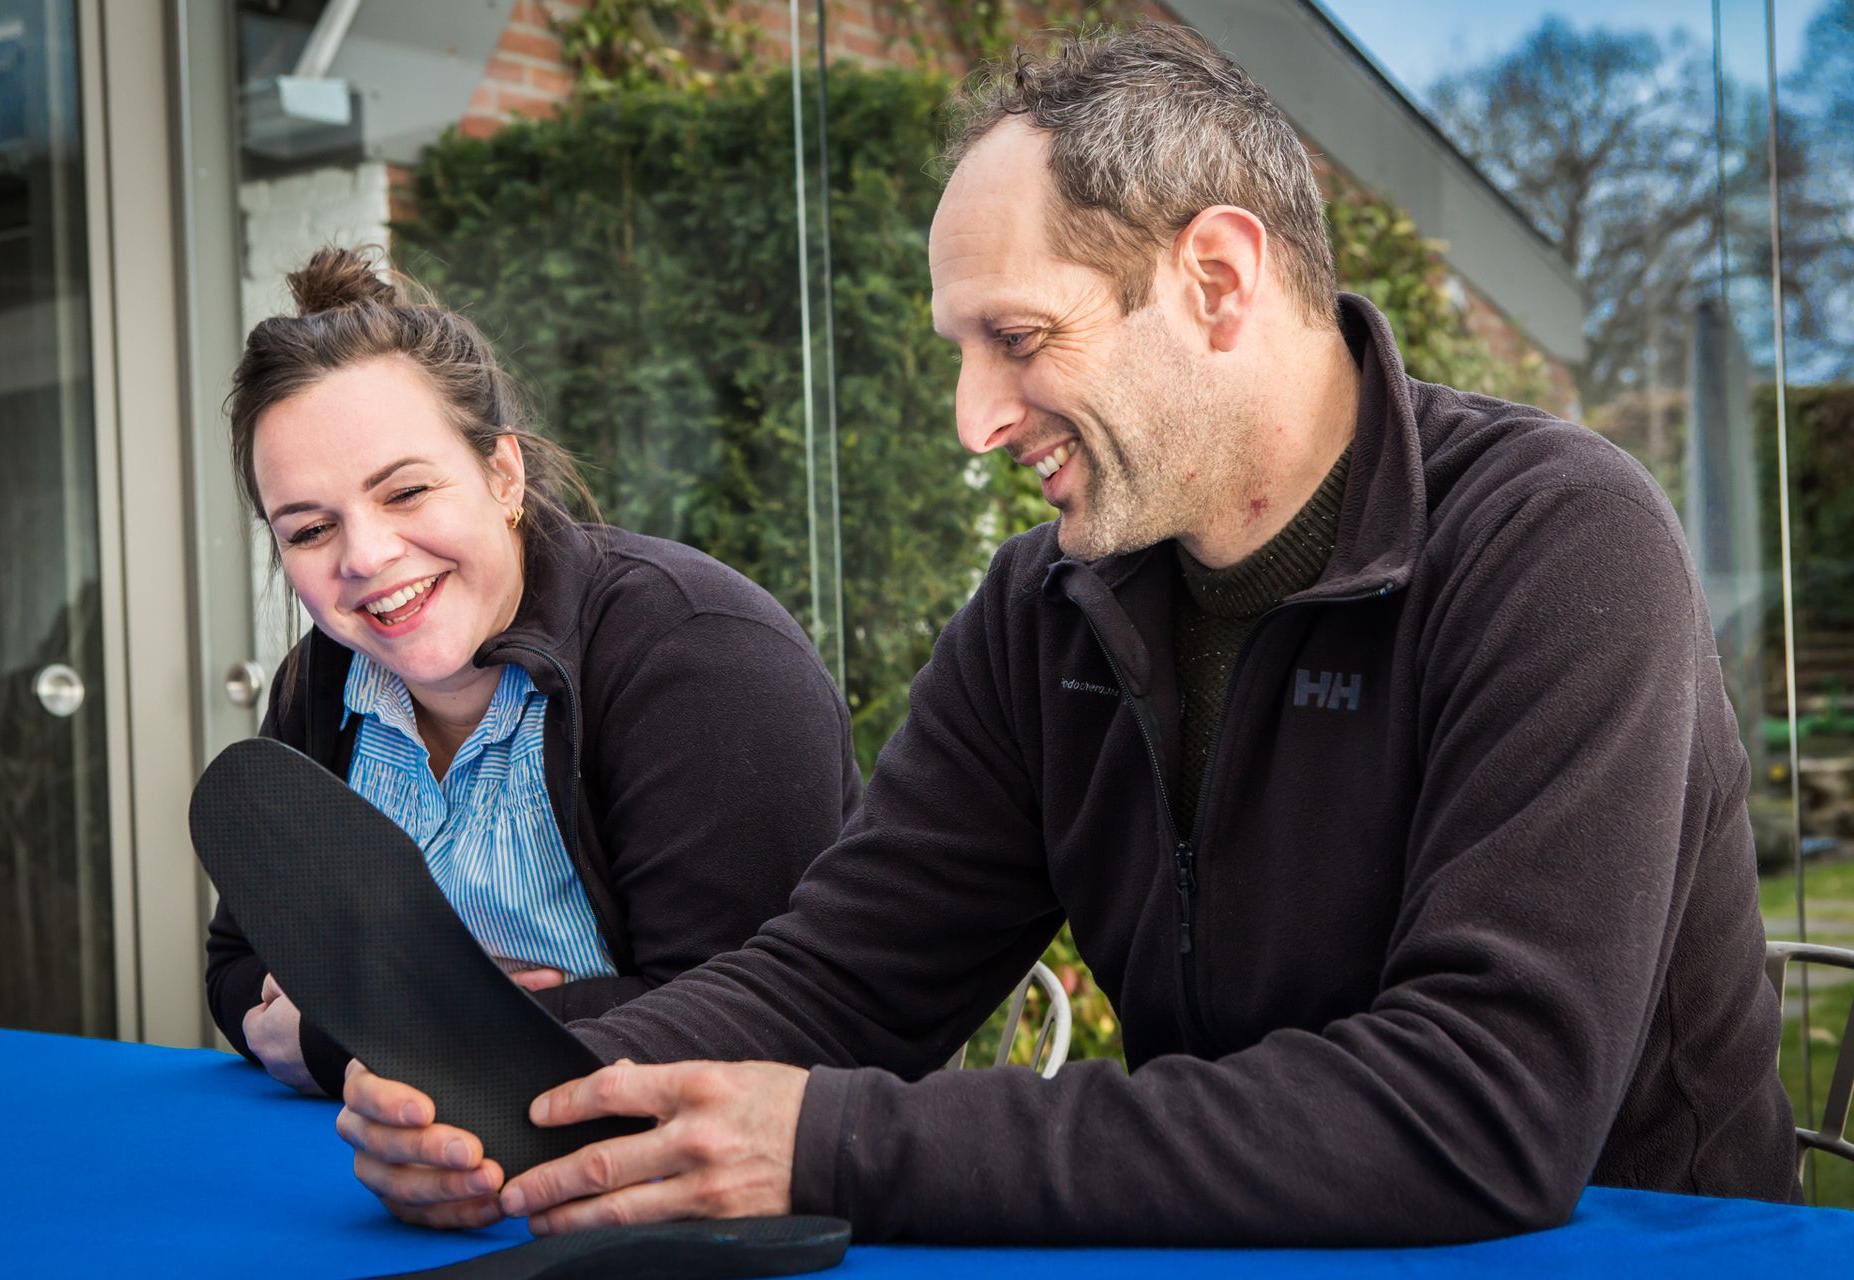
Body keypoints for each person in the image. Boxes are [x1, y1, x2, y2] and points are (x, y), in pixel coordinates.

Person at [335, 26, 1800, 1244]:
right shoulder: (1048, 611)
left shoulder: (1558, 542)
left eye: (1019, 341)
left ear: (1217, 281)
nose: (977, 422)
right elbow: (844, 979)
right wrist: (528, 1090)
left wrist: (843, 1148)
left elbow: (1485, 1106)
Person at [204, 248, 861, 1101]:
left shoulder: (702, 660)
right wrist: (469, 1019)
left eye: (405, 492)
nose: (365, 557)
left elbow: (749, 1020)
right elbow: (239, 967)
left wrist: (353, 1034)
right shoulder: (322, 683)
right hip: (404, 1166)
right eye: (309, 529)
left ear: (502, 474)